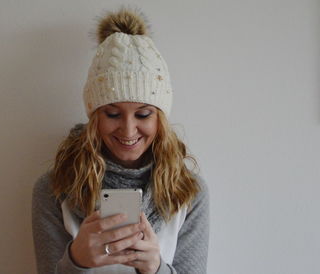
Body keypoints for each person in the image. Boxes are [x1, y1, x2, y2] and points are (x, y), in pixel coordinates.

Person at [32, 7, 209, 274]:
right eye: (112, 113)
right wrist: (75, 262)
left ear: (159, 119)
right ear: (95, 117)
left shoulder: (188, 193)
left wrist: (155, 268)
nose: (128, 130)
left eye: (143, 114)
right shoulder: (55, 189)